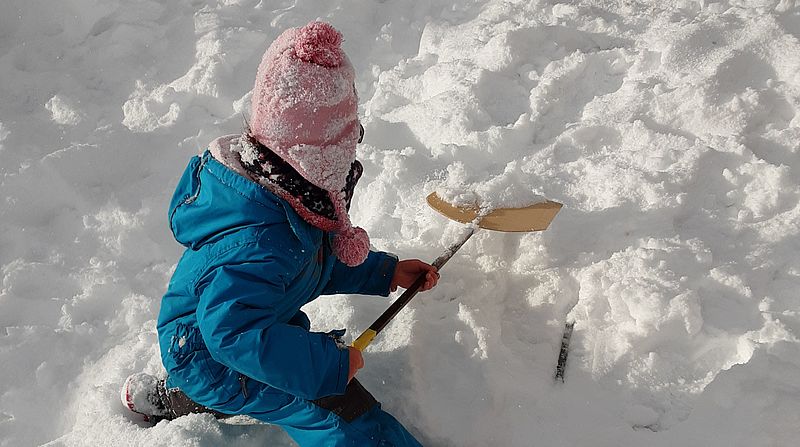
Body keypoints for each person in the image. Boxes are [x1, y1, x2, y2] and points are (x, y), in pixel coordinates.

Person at [120, 21, 439, 446]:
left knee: (253, 365)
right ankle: (192, 393)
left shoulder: (285, 196)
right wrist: (324, 368)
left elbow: (312, 264)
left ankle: (186, 397)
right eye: (342, 151)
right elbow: (233, 335)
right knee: (339, 412)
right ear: (312, 159)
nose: (348, 162)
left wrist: (384, 272)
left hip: (236, 331)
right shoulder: (261, 241)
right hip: (215, 355)